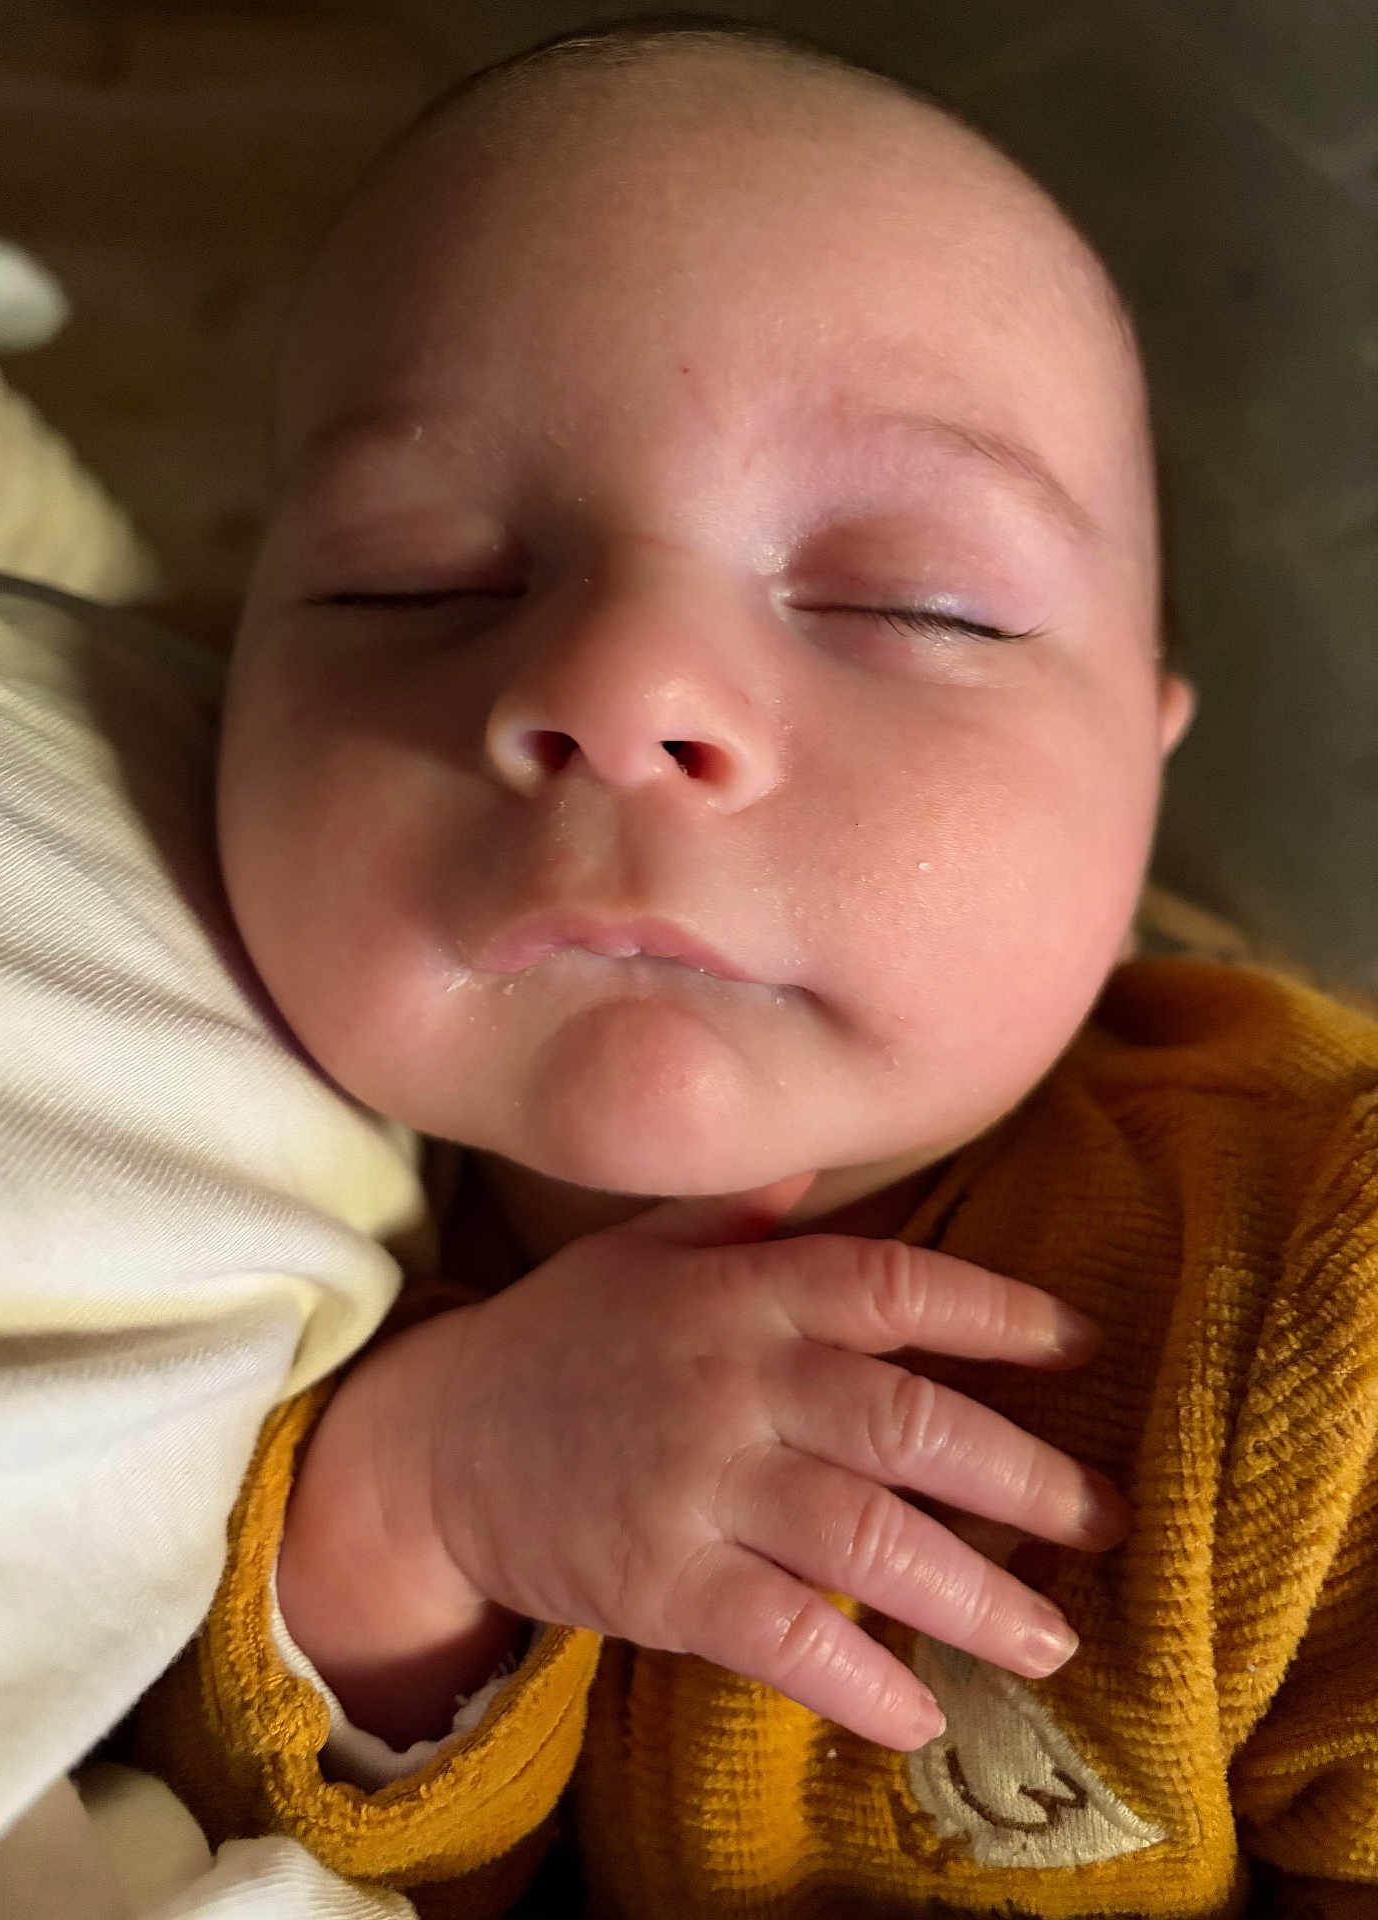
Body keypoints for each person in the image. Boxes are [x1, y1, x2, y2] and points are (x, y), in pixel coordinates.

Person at [125, 17, 1378, 1916]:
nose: (623, 692)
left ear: (1144, 763)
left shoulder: (1312, 1289)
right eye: (426, 583)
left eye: (908, 603)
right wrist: (403, 1522)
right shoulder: (186, 1255)